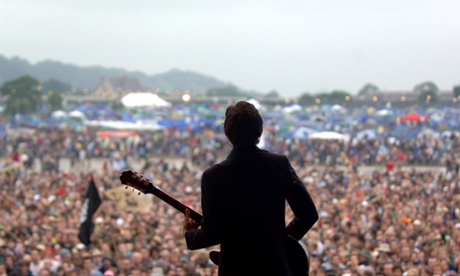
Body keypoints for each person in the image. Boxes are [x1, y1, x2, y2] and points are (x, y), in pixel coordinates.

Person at [183, 101, 318, 275]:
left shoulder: (214, 176)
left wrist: (190, 235)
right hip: (275, 268)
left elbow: (213, 234)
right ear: (259, 130)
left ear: (228, 134)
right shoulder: (279, 165)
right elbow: (308, 214)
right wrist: (281, 242)